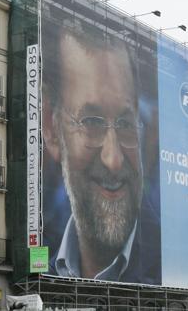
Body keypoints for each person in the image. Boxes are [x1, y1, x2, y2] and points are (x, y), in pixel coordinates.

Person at [41, 21, 160, 283]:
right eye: (92, 122)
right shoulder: (44, 274)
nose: (114, 159)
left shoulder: (169, 266)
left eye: (125, 123)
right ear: (51, 128)